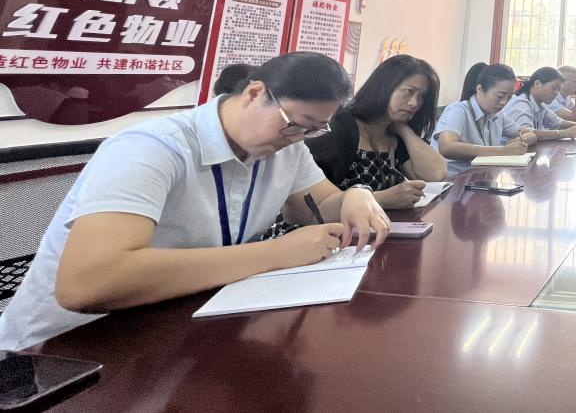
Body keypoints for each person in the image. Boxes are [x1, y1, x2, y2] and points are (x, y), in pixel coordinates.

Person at [0, 52, 390, 352]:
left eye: (313, 130)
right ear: (254, 93)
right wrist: (275, 253)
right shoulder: (151, 148)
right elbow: (87, 284)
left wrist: (356, 195)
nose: (297, 138)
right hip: (61, 352)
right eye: (294, 124)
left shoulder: (286, 148)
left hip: (172, 328)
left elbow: (320, 204)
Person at [305, 55, 447, 209]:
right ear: (384, 87)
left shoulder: (395, 134)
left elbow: (435, 174)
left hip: (382, 223)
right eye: (408, 91)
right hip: (334, 223)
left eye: (422, 96)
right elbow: (309, 202)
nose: (415, 103)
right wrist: (381, 199)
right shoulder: (340, 127)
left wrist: (404, 130)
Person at [433, 62, 536, 175]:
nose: (504, 102)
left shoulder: (497, 116)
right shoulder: (458, 110)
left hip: (481, 176)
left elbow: (531, 134)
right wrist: (503, 150)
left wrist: (519, 142)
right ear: (479, 89)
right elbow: (447, 147)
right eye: (500, 96)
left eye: (509, 97)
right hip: (454, 178)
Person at [503, 66, 576, 141]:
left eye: (558, 89)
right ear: (537, 84)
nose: (556, 93)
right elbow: (528, 133)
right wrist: (566, 133)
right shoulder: (521, 104)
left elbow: (557, 123)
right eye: (554, 88)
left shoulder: (540, 104)